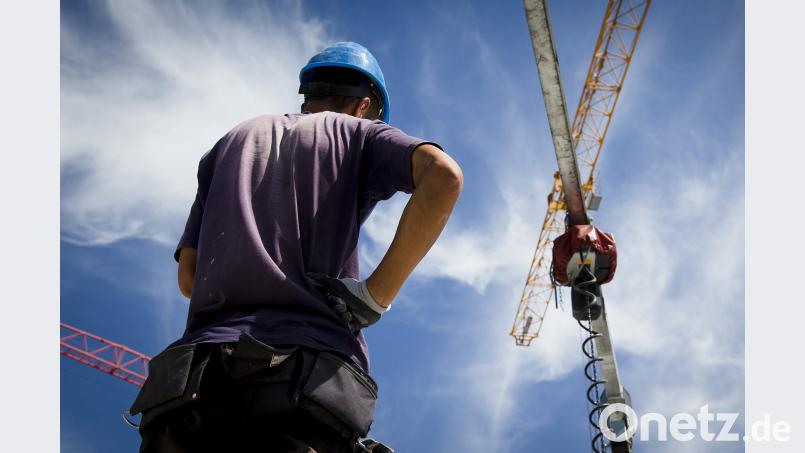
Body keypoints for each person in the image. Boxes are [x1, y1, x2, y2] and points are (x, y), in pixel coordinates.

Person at [128, 42, 463, 452]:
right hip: (304, 378)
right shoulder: (360, 133)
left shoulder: (230, 142)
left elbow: (188, 278)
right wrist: (374, 297)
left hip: (191, 386)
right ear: (363, 105)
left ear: (309, 93)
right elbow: (443, 177)